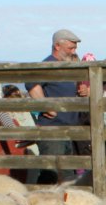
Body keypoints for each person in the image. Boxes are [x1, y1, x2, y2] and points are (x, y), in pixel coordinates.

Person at [29, 28, 82, 183]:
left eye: (74, 49)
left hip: (68, 130)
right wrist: (45, 105)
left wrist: (82, 92)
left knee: (66, 175)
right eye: (70, 48)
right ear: (57, 46)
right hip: (53, 130)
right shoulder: (48, 64)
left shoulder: (65, 66)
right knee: (51, 174)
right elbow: (31, 84)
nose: (73, 52)